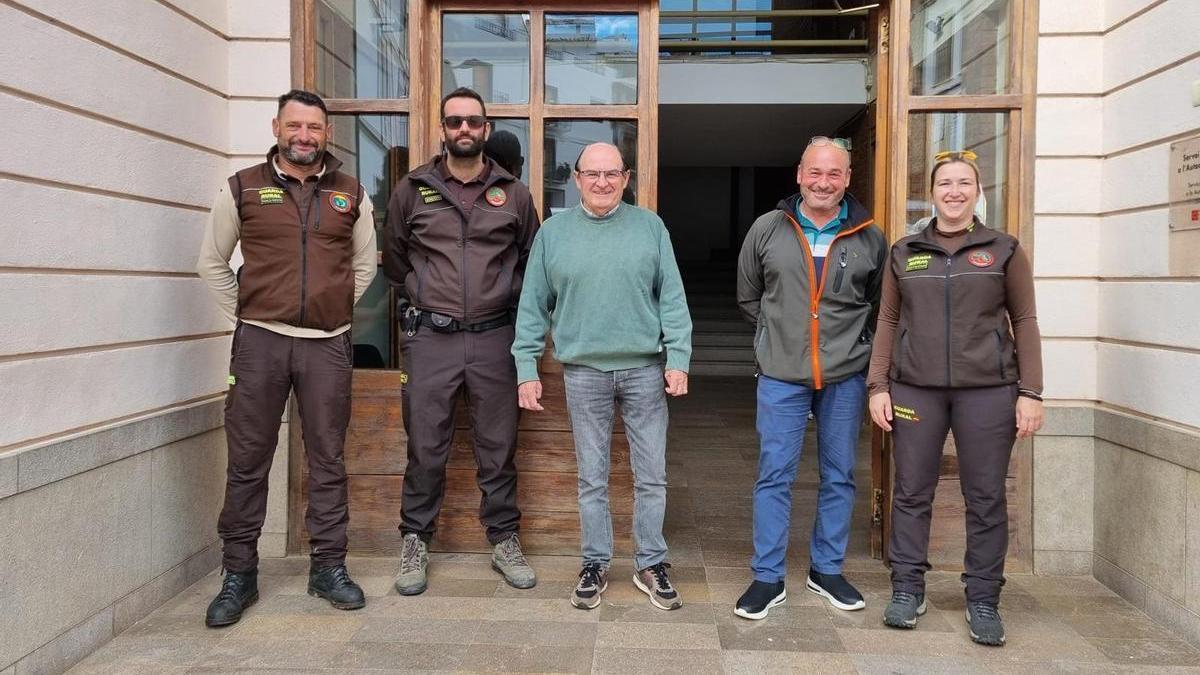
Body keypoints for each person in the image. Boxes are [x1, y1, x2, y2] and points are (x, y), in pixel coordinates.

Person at [197, 89, 376, 627]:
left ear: (327, 134)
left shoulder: (351, 192)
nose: (305, 136)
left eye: (315, 128)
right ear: (277, 126)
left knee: (328, 460)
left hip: (328, 345)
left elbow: (364, 267)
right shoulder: (243, 188)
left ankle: (328, 567)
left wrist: (332, 311)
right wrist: (251, 315)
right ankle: (238, 574)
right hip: (260, 345)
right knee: (248, 459)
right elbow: (211, 262)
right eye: (295, 126)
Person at [867, 150, 1044, 646]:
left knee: (986, 497)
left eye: (964, 183)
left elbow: (1025, 322)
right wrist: (878, 385)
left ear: (977, 191)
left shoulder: (1003, 249)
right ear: (933, 191)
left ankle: (983, 598)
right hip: (915, 390)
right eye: (945, 183)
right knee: (911, 491)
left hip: (989, 392)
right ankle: (906, 590)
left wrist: (1030, 391)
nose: (954, 191)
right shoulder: (905, 251)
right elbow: (886, 322)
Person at [511, 142, 692, 611]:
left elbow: (672, 297)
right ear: (576, 179)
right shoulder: (553, 233)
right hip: (584, 372)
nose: (602, 182)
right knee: (592, 477)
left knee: (652, 475)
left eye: (612, 173)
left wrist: (678, 358)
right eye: (592, 174)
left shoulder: (650, 227)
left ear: (626, 178)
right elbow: (532, 306)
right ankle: (595, 561)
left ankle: (651, 562)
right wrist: (526, 367)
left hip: (645, 369)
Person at [383, 87, 540, 595]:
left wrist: (504, 300)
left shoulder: (513, 192)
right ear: (444, 129)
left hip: (496, 339)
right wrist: (426, 295)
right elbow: (395, 259)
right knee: (425, 447)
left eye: (473, 121)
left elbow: (532, 260)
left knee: (498, 448)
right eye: (455, 122)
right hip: (432, 339)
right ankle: (415, 541)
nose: (465, 129)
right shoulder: (413, 189)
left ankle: (504, 539)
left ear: (487, 128)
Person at [734, 136, 887, 620]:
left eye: (834, 174)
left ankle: (826, 569)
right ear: (799, 175)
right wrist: (778, 338)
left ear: (847, 179)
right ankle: (767, 576)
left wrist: (855, 349)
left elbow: (880, 306)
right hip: (781, 373)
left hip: (844, 376)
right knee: (774, 475)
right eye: (815, 173)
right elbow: (748, 296)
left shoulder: (869, 236)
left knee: (840, 476)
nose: (824, 182)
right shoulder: (767, 228)